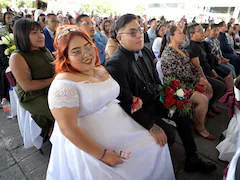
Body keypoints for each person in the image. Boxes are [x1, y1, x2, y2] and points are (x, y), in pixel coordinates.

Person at [46, 25, 175, 180]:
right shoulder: (63, 85)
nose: (86, 55)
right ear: (65, 56)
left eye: (88, 47)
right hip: (92, 143)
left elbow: (108, 94)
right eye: (76, 51)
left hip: (122, 126)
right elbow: (68, 128)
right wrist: (103, 155)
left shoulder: (99, 68)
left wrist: (133, 100)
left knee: (156, 145)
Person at [107, 13, 216, 173]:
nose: (139, 35)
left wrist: (171, 95)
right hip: (138, 111)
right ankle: (158, 167)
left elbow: (156, 81)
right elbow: (125, 103)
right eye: (132, 32)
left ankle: (192, 157)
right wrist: (151, 125)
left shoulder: (145, 51)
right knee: (168, 134)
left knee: (182, 110)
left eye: (139, 30)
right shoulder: (116, 64)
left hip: (155, 99)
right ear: (119, 38)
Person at [160, 25, 215, 140]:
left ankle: (197, 115)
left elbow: (191, 67)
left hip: (188, 81)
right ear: (172, 38)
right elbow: (181, 74)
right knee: (203, 99)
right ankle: (200, 128)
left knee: (209, 89)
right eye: (180, 33)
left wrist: (201, 78)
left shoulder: (181, 48)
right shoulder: (169, 54)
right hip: (177, 87)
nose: (184, 35)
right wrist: (199, 80)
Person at [9, 18, 55, 139]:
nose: (41, 36)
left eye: (41, 32)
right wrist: (53, 80)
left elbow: (54, 67)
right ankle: (54, 134)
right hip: (32, 95)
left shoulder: (43, 50)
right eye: (34, 33)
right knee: (59, 108)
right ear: (23, 35)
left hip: (51, 87)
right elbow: (27, 86)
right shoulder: (17, 56)